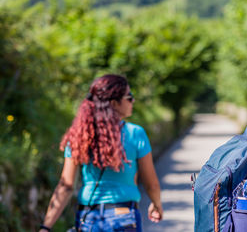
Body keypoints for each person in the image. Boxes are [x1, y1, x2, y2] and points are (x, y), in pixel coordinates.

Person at [39, 74, 163, 232]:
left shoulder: (79, 136)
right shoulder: (135, 133)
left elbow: (66, 186)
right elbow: (151, 184)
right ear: (114, 103)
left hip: (88, 218)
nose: (133, 101)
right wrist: (156, 204)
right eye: (129, 97)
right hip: (124, 216)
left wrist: (46, 227)